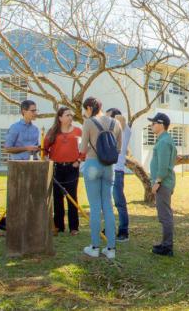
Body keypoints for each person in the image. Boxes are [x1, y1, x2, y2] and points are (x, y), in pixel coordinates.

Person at [79, 96, 122, 259]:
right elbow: (118, 148)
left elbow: (83, 148)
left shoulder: (89, 122)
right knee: (108, 207)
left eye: (85, 109)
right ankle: (111, 249)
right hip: (109, 167)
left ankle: (95, 246)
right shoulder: (115, 123)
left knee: (95, 207)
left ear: (89, 108)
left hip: (92, 164)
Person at [43, 107, 83, 236]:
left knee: (72, 197)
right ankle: (59, 226)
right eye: (67, 115)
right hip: (56, 168)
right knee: (57, 198)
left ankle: (74, 227)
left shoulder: (78, 131)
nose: (70, 117)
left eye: (71, 115)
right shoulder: (52, 132)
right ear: (60, 118)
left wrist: (79, 161)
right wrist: (46, 160)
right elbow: (45, 148)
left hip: (72, 168)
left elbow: (84, 148)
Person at [148, 112, 177, 257]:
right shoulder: (163, 140)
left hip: (163, 183)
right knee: (165, 215)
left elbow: (164, 166)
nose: (151, 126)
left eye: (153, 123)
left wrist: (157, 182)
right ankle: (166, 244)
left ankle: (167, 247)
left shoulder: (164, 142)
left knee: (165, 216)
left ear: (160, 124)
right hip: (164, 183)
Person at [107, 107, 131, 242]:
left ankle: (123, 231)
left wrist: (113, 117)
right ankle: (110, 228)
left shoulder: (124, 128)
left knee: (119, 202)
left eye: (109, 117)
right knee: (108, 202)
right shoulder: (111, 131)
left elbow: (121, 119)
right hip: (108, 169)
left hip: (118, 171)